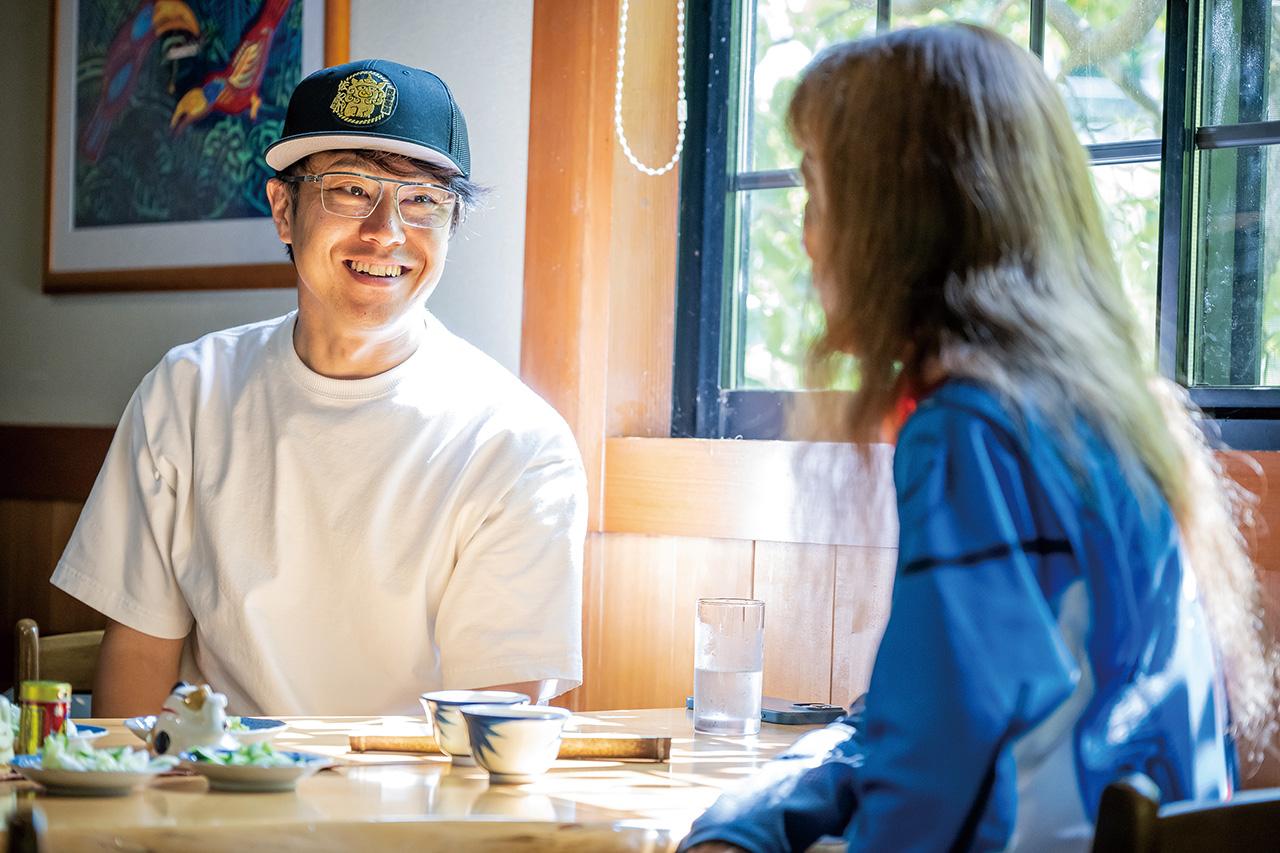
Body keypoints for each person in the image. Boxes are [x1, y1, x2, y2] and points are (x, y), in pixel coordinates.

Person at [681, 24, 1278, 853]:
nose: (808, 234)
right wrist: (758, 818)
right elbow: (920, 726)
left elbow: (935, 776)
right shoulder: (1114, 417)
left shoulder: (969, 434)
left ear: (898, 218)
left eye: (816, 192)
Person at [52, 59, 587, 718]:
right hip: (214, 776)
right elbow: (138, 655)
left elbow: (492, 722)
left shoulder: (517, 444)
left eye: (423, 199)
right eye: (351, 190)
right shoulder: (188, 392)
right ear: (284, 210)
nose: (386, 232)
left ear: (452, 227)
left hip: (413, 786)